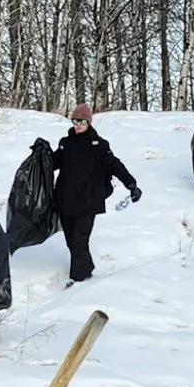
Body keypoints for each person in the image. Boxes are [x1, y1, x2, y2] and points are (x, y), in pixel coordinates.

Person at [48, 102, 140, 281]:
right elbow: (52, 163)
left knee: (79, 241)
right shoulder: (65, 143)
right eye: (75, 121)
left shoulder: (98, 145)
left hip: (88, 201)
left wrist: (131, 184)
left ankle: (78, 279)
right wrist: (41, 154)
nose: (78, 125)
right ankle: (86, 268)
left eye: (82, 122)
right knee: (71, 241)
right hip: (65, 200)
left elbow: (114, 165)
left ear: (89, 122)